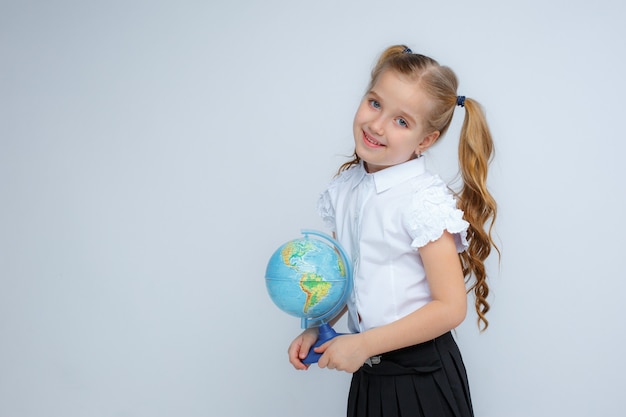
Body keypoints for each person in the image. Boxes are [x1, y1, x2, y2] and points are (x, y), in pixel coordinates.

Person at [287, 44, 498, 417]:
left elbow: (450, 307)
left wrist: (364, 343)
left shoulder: (421, 200)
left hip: (422, 380)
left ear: (425, 140)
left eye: (402, 121)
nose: (378, 125)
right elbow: (346, 279)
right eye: (375, 103)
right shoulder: (346, 189)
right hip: (371, 376)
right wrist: (318, 327)